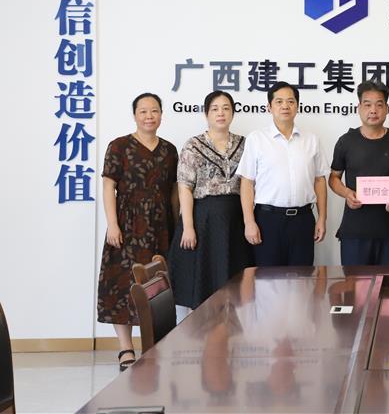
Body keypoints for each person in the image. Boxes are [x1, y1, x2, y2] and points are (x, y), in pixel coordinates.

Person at [97, 92, 178, 371]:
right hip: (126, 226)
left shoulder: (169, 150)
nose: (149, 116)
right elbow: (109, 186)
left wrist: (177, 225)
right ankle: (125, 348)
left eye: (154, 111)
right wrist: (112, 224)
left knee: (155, 287)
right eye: (143, 111)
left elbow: (173, 192)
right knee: (121, 285)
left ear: (161, 114)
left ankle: (152, 346)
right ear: (135, 115)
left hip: (160, 227)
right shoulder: (119, 146)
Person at [167, 90, 251, 314]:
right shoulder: (193, 145)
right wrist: (188, 227)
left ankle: (231, 330)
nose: (220, 113)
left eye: (225, 108)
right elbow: (185, 187)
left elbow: (249, 184)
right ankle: (201, 331)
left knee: (234, 283)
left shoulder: (245, 144)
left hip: (235, 221)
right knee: (202, 282)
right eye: (215, 109)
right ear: (206, 114)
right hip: (202, 221)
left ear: (233, 112)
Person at [236, 82, 329, 266]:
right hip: (267, 221)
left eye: (290, 101)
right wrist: (249, 222)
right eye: (279, 101)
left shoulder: (311, 140)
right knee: (267, 279)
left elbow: (319, 180)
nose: (285, 106)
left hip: (303, 220)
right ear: (269, 107)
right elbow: (247, 183)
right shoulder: (257, 139)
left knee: (302, 278)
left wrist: (322, 219)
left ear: (297, 106)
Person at [329, 81, 389, 266]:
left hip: (388, 231)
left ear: (387, 108)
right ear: (359, 107)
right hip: (354, 231)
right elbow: (333, 178)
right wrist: (347, 193)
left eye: (379, 105)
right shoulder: (346, 141)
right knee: (354, 284)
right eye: (367, 104)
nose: (373, 110)